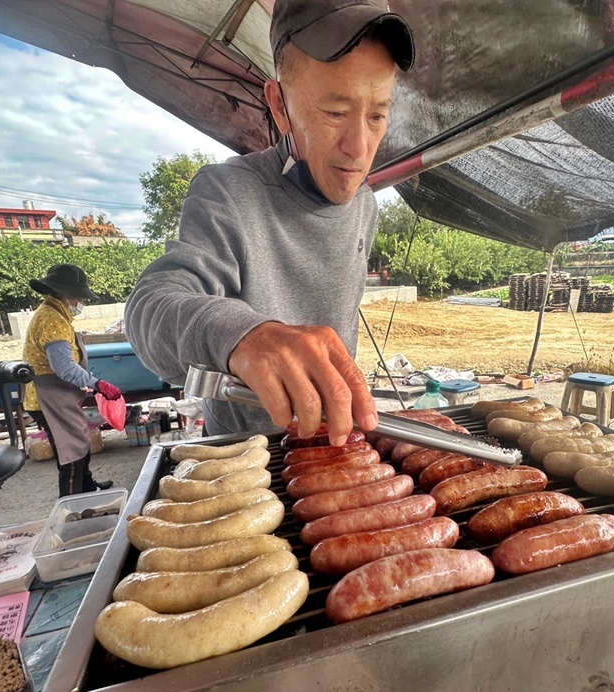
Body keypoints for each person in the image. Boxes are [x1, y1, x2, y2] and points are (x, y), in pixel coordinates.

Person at [126, 0, 415, 446]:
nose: (359, 147)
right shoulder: (228, 191)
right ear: (280, 107)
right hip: (250, 460)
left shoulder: (365, 205)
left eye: (377, 115)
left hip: (337, 447)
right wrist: (248, 337)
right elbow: (149, 307)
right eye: (335, 113)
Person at [23, 263, 122, 497]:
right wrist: (97, 384)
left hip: (58, 394)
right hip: (49, 396)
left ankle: (87, 488)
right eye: (79, 297)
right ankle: (71, 505)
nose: (80, 303)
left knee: (80, 442)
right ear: (67, 295)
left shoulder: (55, 314)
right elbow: (64, 367)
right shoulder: (52, 319)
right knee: (70, 455)